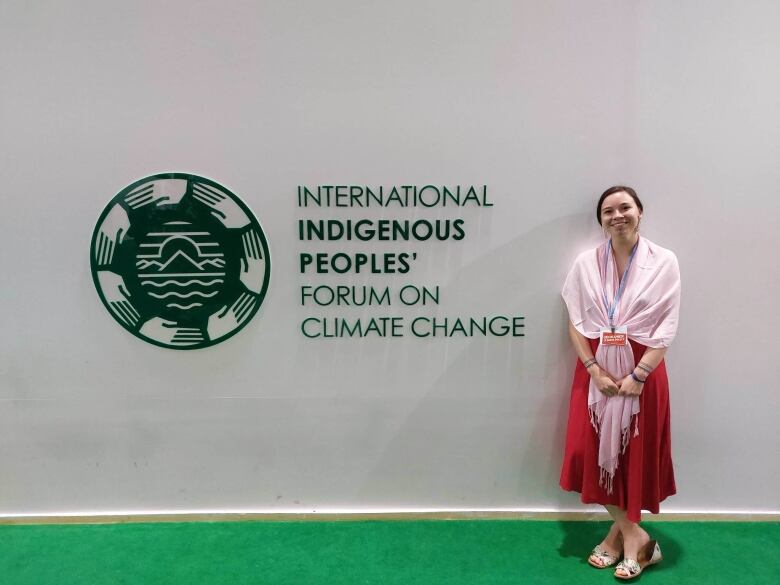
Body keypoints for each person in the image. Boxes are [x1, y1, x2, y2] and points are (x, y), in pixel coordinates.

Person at [559, 186, 681, 580]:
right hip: (596, 373)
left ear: (640, 212)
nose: (617, 215)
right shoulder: (585, 263)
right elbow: (576, 321)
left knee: (636, 456)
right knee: (587, 452)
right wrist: (593, 368)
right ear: (601, 220)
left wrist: (638, 375)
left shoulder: (664, 262)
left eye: (625, 207)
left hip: (643, 373)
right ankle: (638, 538)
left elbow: (666, 326)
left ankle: (619, 539)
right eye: (608, 210)